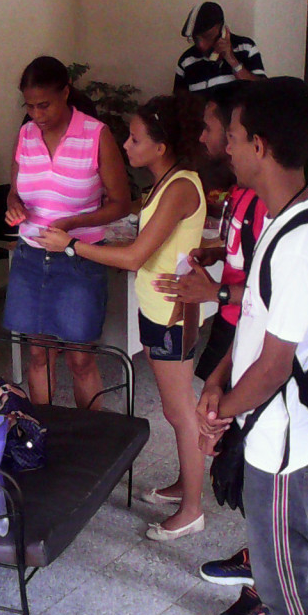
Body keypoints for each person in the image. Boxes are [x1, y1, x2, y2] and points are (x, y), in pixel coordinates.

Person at [197, 77, 308, 615]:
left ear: (259, 145)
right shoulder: (284, 216)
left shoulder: (306, 242)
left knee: (284, 584)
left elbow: (278, 364)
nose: (225, 147)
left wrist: (220, 413)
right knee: (274, 560)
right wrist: (218, 373)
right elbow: (261, 319)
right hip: (266, 422)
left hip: (283, 445)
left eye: (231, 135)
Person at [40, 94, 206, 540]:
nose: (126, 146)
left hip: (172, 316)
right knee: (177, 409)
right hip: (157, 310)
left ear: (161, 144)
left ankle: (192, 509)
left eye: (134, 139)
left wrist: (71, 246)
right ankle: (183, 486)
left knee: (179, 411)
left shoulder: (181, 187)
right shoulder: (166, 182)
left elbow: (135, 257)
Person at [151, 89, 272, 615]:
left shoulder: (276, 209)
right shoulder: (243, 196)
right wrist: (216, 259)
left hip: (257, 352)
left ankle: (269, 590)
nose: (203, 137)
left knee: (252, 455)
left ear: (248, 139)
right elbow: (244, 271)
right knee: (237, 451)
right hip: (234, 340)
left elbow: (267, 301)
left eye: (214, 128)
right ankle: (258, 555)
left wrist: (215, 293)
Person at [3, 56, 131, 409]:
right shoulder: (26, 135)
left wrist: (72, 224)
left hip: (78, 258)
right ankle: (41, 433)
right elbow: (15, 189)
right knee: (39, 356)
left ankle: (90, 441)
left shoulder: (96, 135)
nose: (36, 115)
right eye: (29, 106)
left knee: (80, 359)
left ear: (66, 93)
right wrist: (14, 204)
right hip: (30, 257)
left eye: (44, 104)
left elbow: (121, 203)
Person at [174, 2, 265, 97]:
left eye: (207, 37)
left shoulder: (245, 47)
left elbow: (263, 92)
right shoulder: (186, 61)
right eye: (195, 39)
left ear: (222, 31)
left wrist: (233, 61)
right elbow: (178, 105)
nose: (201, 45)